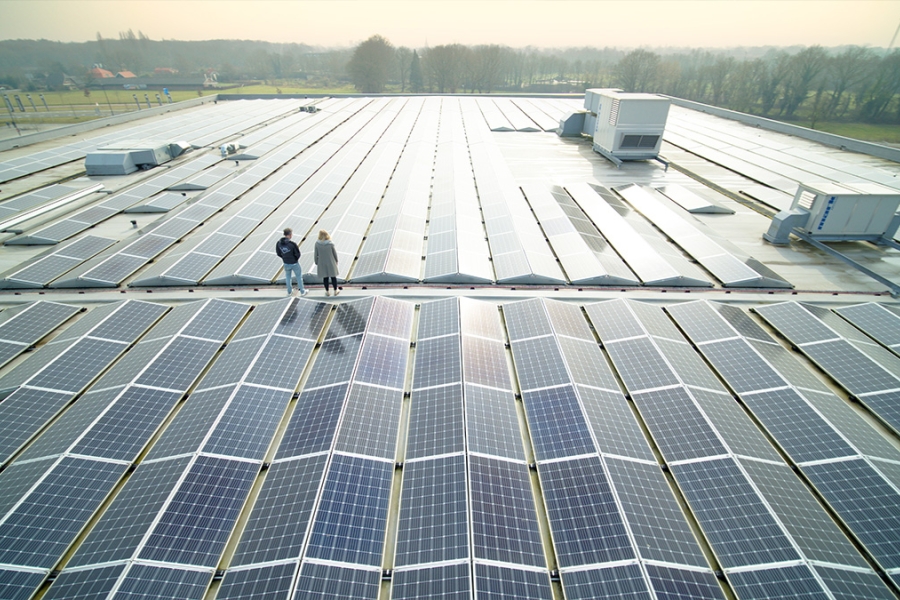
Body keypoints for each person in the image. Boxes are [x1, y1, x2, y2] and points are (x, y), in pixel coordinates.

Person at [275, 228, 307, 297]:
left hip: (286, 263)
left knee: (288, 277)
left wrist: (284, 258)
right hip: (294, 263)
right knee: (299, 277)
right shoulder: (292, 244)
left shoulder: (279, 243)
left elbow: (278, 253)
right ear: (289, 235)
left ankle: (289, 292)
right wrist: (295, 259)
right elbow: (298, 254)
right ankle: (302, 291)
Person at [315, 229, 339, 296]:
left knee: (325, 277)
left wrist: (316, 262)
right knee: (333, 277)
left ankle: (327, 291)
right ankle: (335, 290)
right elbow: (334, 253)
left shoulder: (317, 244)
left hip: (322, 263)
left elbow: (315, 254)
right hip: (331, 262)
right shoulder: (330, 244)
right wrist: (336, 260)